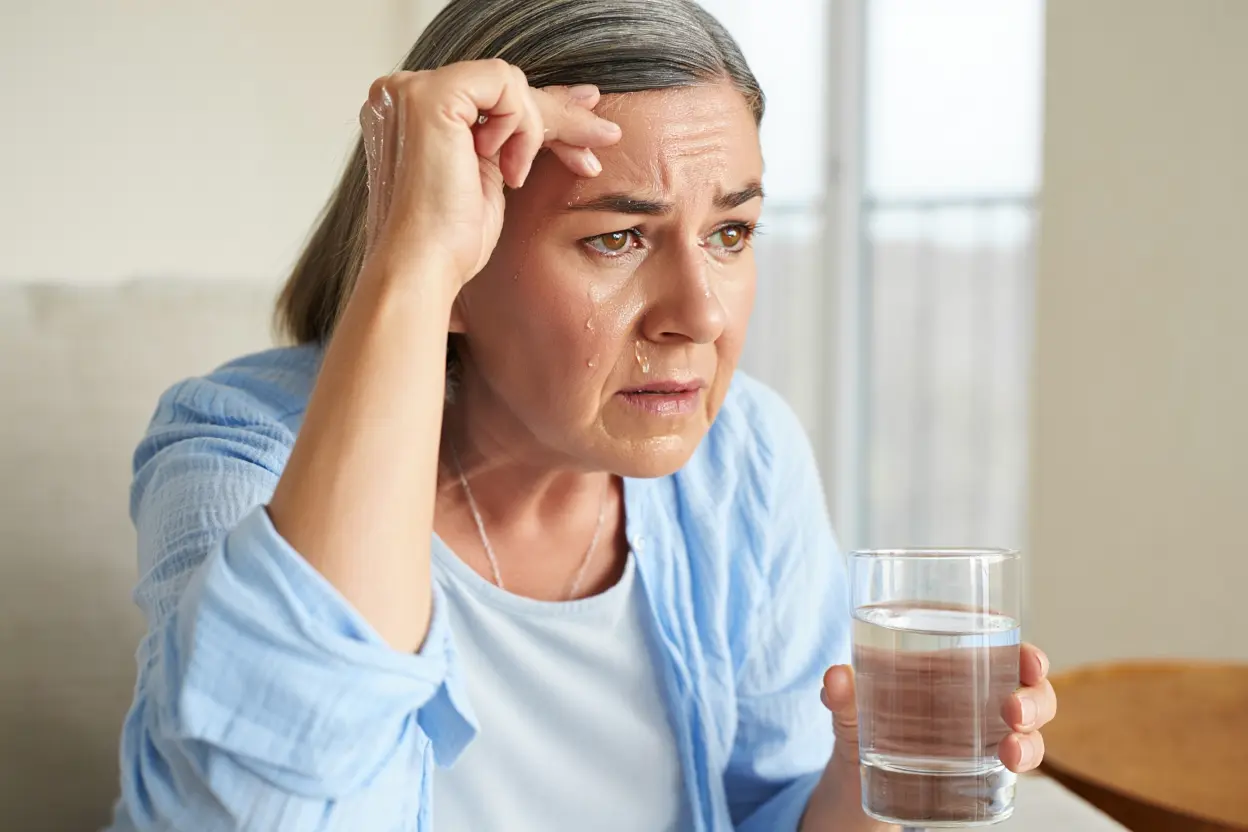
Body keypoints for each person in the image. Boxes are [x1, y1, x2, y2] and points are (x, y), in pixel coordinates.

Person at [107, 0, 1057, 830]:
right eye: (615, 238)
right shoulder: (240, 451)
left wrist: (861, 772)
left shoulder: (745, 459)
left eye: (731, 232)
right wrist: (408, 266)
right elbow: (256, 812)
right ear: (460, 257)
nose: (704, 315)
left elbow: (769, 811)